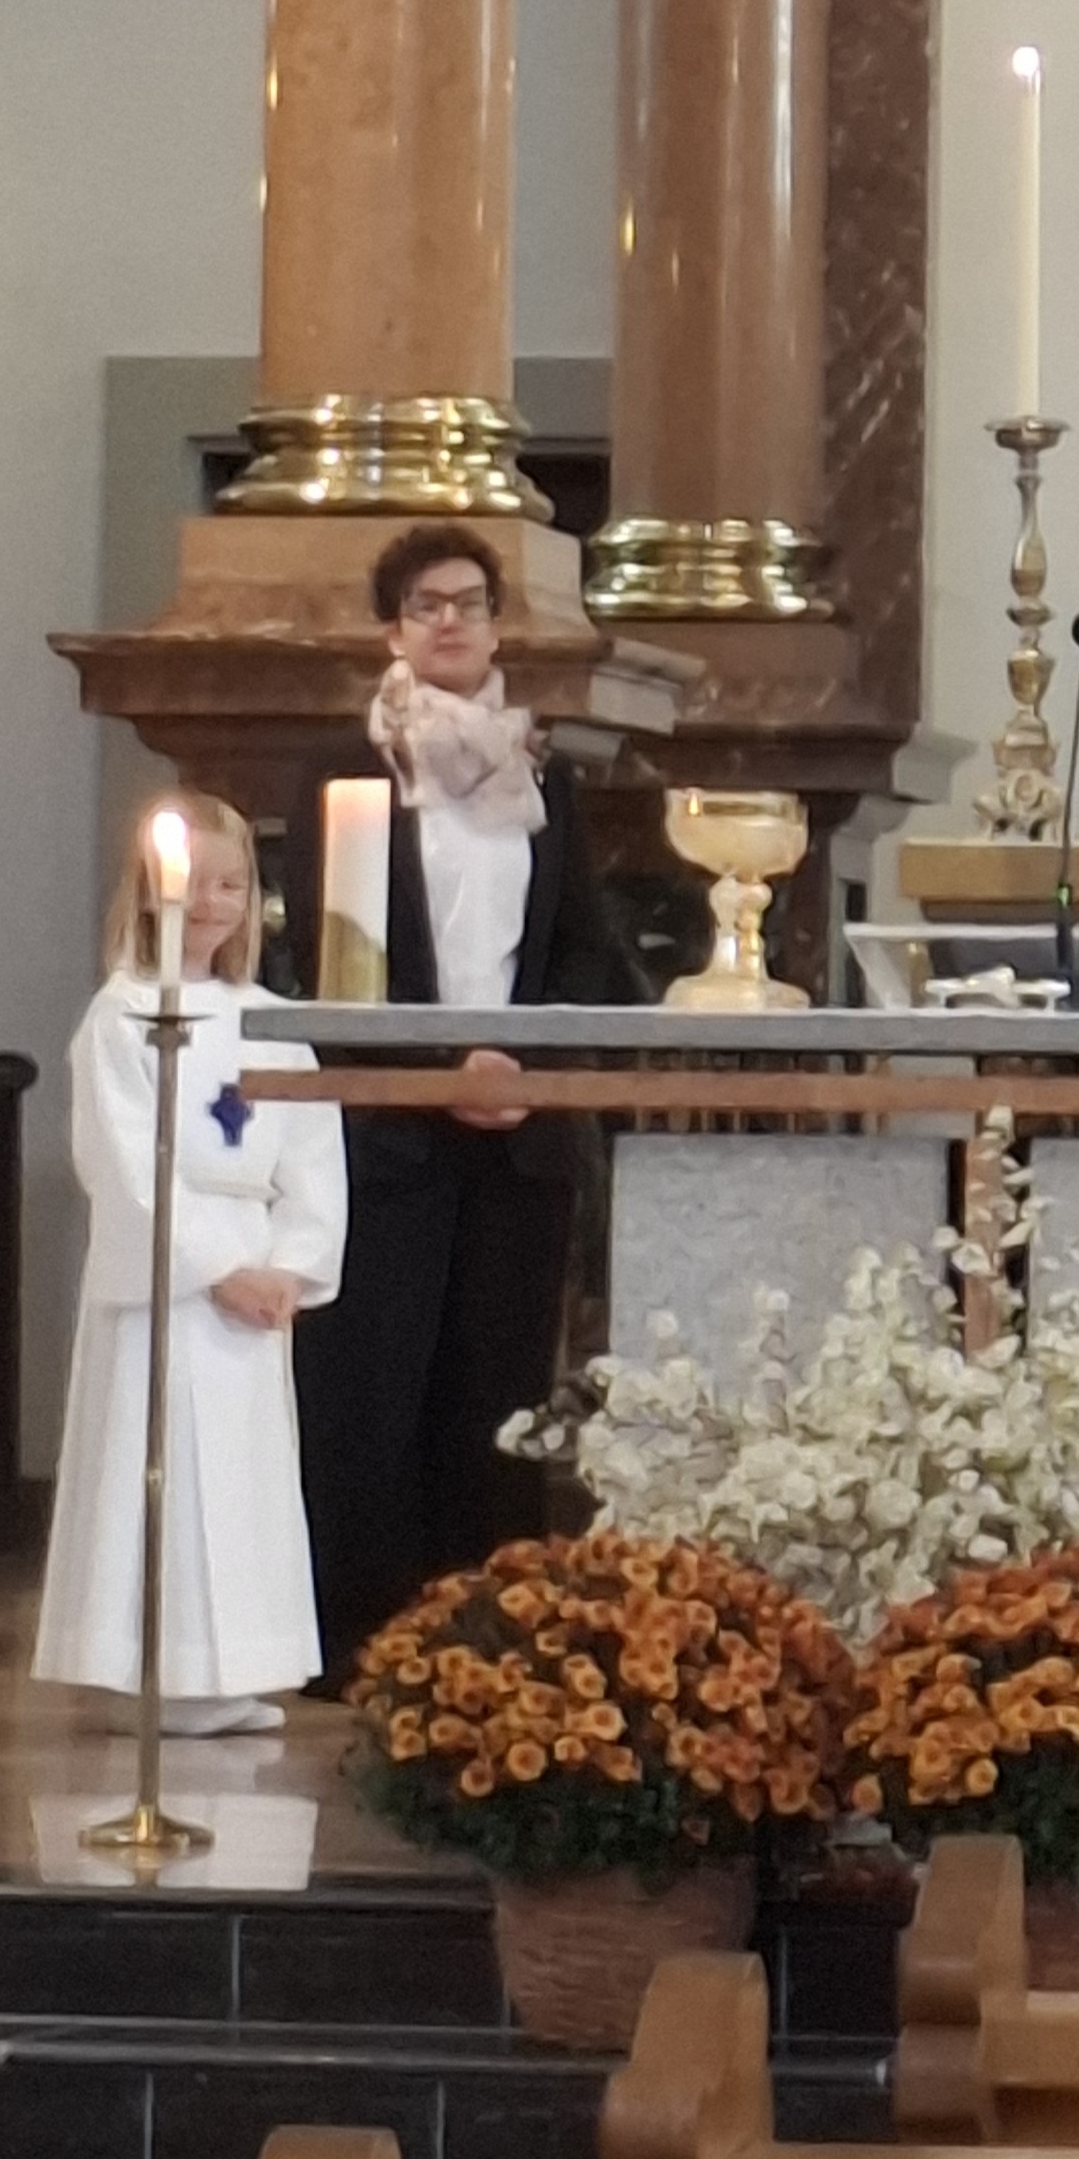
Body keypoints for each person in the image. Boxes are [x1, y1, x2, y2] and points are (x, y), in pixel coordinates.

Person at [278, 523, 641, 1684]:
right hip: (390, 1128)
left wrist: (520, 1065)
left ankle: (487, 1644)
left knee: (497, 1400)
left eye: (469, 601)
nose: (449, 620)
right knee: (372, 1388)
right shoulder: (346, 770)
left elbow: (582, 948)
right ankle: (362, 1642)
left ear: (494, 624)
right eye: (426, 603)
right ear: (393, 627)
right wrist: (446, 1066)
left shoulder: (546, 774)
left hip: (520, 1133)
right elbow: (331, 958)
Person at [33, 791, 346, 1736]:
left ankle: (226, 1671)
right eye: (191, 883)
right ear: (146, 893)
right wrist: (216, 1267)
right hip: (168, 1284)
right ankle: (144, 1675)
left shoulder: (273, 1022)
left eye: (230, 885)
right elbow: (126, 1165)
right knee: (157, 1469)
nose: (210, 903)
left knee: (241, 1480)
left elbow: (312, 1159)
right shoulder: (121, 1017)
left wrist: (291, 1265)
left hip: (254, 1279)